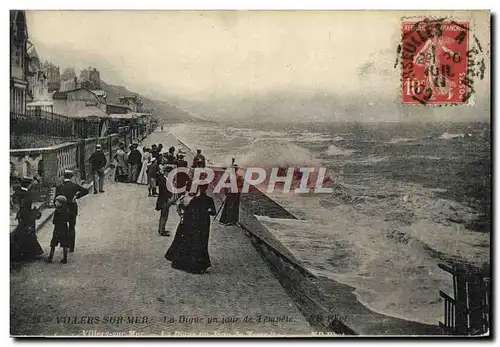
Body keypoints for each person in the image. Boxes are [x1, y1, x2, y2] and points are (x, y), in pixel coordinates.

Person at [165, 184, 216, 274]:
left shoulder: (194, 200)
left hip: (192, 222)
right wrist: (206, 211)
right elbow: (213, 212)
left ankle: (185, 262)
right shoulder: (209, 199)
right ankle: (198, 264)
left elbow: (185, 209)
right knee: (201, 242)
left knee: (189, 241)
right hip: (203, 224)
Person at [54, 170, 89, 253]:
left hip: (63, 209)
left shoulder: (60, 186)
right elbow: (86, 191)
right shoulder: (74, 185)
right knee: (72, 228)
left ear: (63, 176)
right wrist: (77, 196)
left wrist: (57, 207)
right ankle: (71, 247)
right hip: (72, 209)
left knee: (64, 227)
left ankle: (65, 245)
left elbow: (55, 199)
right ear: (71, 177)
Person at [46, 195, 71, 264]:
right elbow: (69, 219)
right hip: (65, 228)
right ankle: (65, 258)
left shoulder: (57, 211)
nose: (55, 203)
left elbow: (54, 221)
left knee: (53, 243)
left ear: (60, 203)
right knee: (65, 244)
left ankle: (50, 258)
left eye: (57, 202)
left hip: (57, 229)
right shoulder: (67, 210)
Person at [219, 160, 243, 226]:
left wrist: (226, 192)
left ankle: (225, 220)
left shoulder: (230, 176)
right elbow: (241, 185)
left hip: (231, 193)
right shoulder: (238, 176)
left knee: (228, 206)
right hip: (235, 193)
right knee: (233, 207)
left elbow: (225, 185)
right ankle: (231, 220)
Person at [155, 166, 175, 236]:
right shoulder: (164, 180)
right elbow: (164, 192)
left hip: (165, 200)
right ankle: (161, 231)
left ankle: (161, 229)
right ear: (166, 172)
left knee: (164, 215)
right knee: (164, 215)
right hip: (165, 201)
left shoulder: (165, 179)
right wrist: (169, 198)